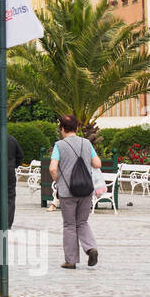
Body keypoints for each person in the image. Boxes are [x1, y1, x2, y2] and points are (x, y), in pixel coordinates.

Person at [50, 115, 101, 269]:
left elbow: (52, 168)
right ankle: (91, 247)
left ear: (62, 129)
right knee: (83, 222)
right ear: (77, 128)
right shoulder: (86, 143)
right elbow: (97, 163)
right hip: (86, 190)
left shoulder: (59, 145)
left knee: (69, 225)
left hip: (67, 192)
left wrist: (58, 181)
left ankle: (71, 261)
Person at [6, 131, 25, 228]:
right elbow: (20, 155)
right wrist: (14, 165)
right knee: (10, 196)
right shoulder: (11, 139)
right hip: (9, 170)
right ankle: (8, 222)